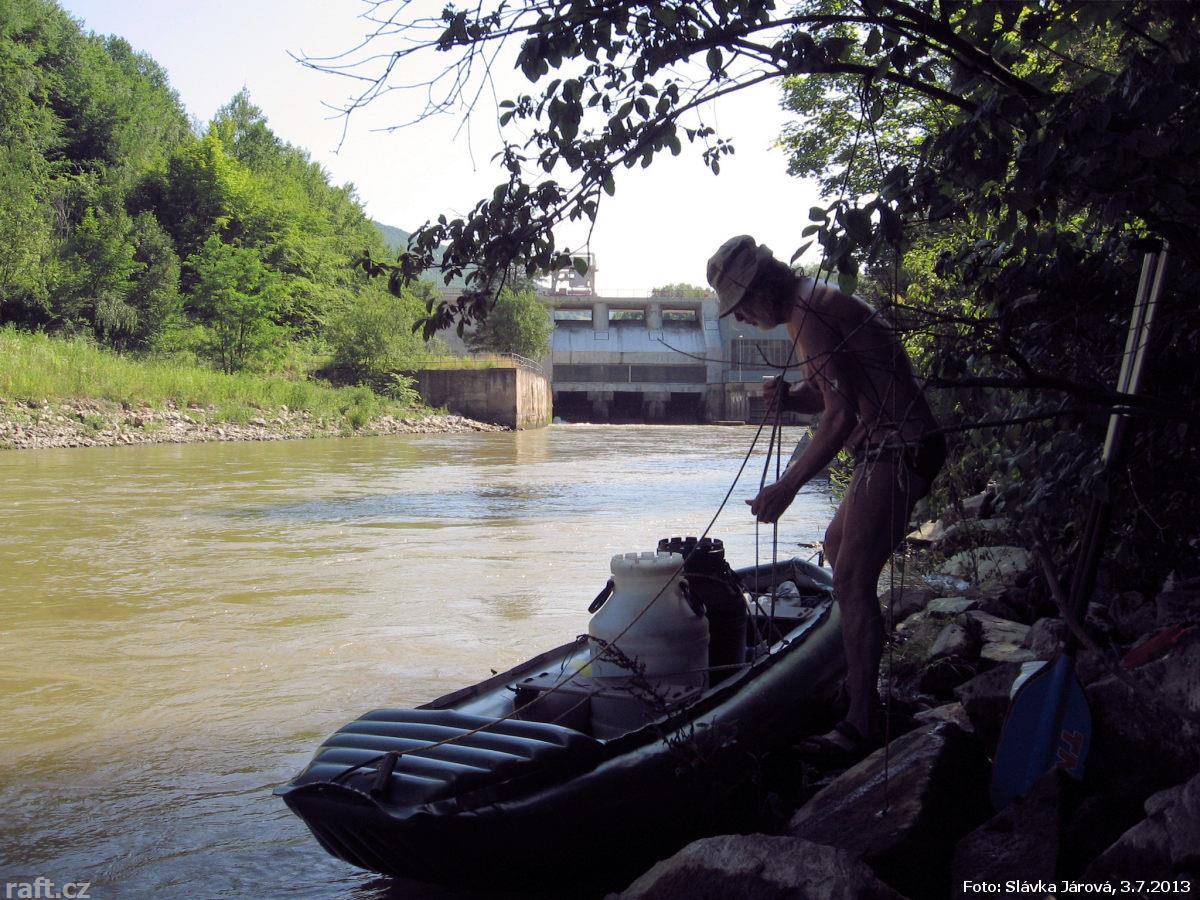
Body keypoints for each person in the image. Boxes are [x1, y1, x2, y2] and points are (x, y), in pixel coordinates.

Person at [707, 234, 946, 761]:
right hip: (883, 449)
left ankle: (860, 721)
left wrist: (786, 486)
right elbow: (831, 395)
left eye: (741, 305)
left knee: (852, 579)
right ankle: (858, 687)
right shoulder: (805, 307)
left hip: (900, 448)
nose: (741, 317)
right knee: (837, 552)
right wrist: (792, 398)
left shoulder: (810, 313)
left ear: (761, 289)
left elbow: (839, 418)